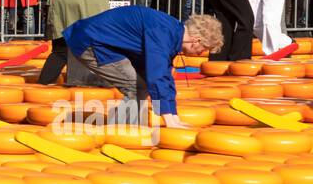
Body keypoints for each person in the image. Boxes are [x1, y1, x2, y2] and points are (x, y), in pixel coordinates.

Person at [61, 7, 224, 120]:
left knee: (142, 84)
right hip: (91, 41)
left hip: (101, 41)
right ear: (196, 40)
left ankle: (123, 126)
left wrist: (172, 113)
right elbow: (157, 74)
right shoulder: (163, 33)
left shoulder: (172, 32)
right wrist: (167, 116)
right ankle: (121, 131)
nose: (201, 54)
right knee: (137, 86)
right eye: (204, 48)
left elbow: (165, 77)